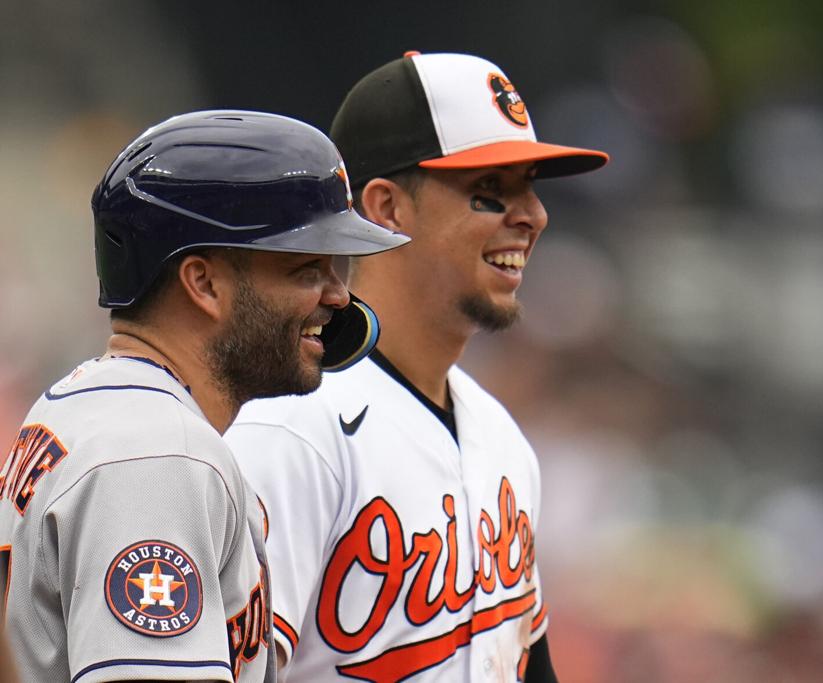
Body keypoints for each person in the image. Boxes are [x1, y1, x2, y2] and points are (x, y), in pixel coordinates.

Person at [224, 52, 608, 682]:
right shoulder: (292, 432)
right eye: (491, 192)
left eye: (531, 186)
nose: (534, 216)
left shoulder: (499, 433)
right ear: (386, 208)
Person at [0, 110, 408, 682]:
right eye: (307, 268)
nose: (340, 296)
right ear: (204, 283)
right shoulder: (158, 456)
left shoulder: (84, 405)